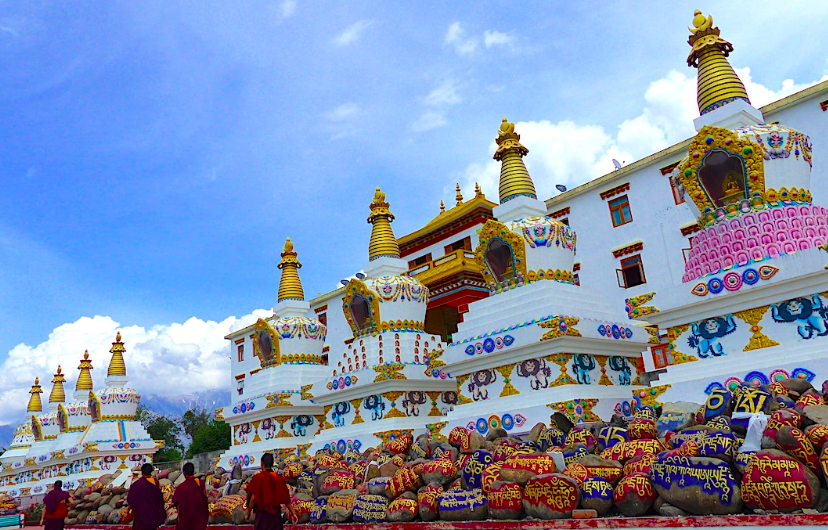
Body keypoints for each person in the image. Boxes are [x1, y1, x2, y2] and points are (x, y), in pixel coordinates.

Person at [245, 453, 290, 530]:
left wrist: (248, 513)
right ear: (272, 463)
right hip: (275, 517)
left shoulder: (258, 478)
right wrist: (293, 512)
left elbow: (253, 498)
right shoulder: (278, 477)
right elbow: (285, 498)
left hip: (262, 517)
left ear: (262, 463)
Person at [126, 463, 167, 530]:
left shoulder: (136, 484)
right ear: (151, 472)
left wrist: (138, 509)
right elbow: (159, 499)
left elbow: (130, 499)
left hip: (140, 517)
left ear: (142, 472)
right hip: (153, 516)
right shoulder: (155, 482)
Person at [172, 462, 208, 530]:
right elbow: (205, 499)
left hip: (185, 522)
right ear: (193, 472)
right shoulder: (200, 484)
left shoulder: (180, 487)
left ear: (184, 473)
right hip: (199, 521)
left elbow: (176, 503)